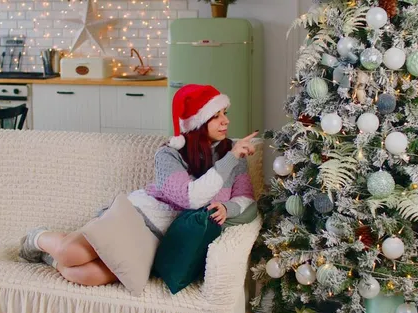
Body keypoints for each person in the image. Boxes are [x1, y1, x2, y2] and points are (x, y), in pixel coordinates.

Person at [18, 84, 257, 288]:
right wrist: (231, 159)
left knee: (88, 275)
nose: (226, 121)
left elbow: (247, 203)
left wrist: (228, 209)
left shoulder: (231, 156)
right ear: (198, 122)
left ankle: (51, 261)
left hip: (158, 239)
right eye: (216, 115)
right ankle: (37, 237)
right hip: (136, 215)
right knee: (72, 253)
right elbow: (190, 199)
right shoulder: (169, 154)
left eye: (225, 113)